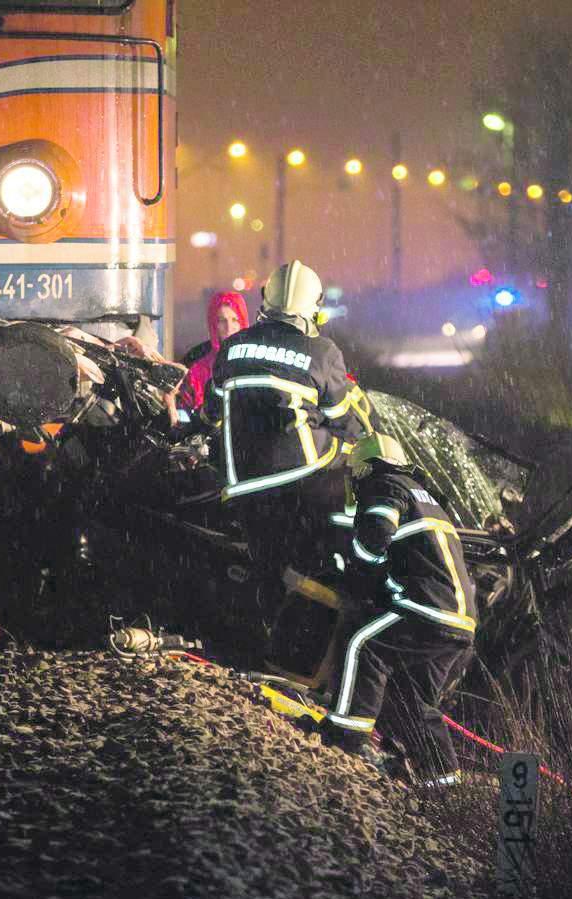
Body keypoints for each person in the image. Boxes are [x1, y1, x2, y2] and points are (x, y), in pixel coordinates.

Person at [322, 432, 477, 787]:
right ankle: (441, 782)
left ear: (362, 470)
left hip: (426, 610)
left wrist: (359, 575)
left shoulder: (386, 485)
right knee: (414, 700)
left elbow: (375, 536)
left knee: (364, 645)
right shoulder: (427, 498)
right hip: (460, 621)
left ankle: (345, 738)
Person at [200, 259, 364, 580]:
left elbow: (211, 410)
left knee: (269, 572)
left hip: (244, 488)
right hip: (306, 479)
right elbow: (345, 421)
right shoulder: (323, 351)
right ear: (313, 309)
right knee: (357, 462)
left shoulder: (232, 347)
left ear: (266, 300)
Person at [177, 291, 249, 412]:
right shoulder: (198, 369)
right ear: (214, 325)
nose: (229, 327)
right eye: (222, 320)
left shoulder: (255, 363)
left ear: (243, 322)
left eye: (235, 320)